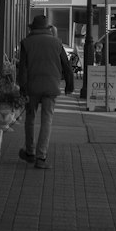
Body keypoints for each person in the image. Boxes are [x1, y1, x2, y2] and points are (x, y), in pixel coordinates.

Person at [16, 14, 74, 169]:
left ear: (33, 28)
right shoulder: (57, 43)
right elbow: (67, 66)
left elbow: (23, 69)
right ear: (48, 29)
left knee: (30, 118)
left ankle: (30, 152)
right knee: (47, 120)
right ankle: (41, 157)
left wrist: (22, 88)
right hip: (51, 86)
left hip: (32, 87)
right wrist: (70, 85)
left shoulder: (26, 43)